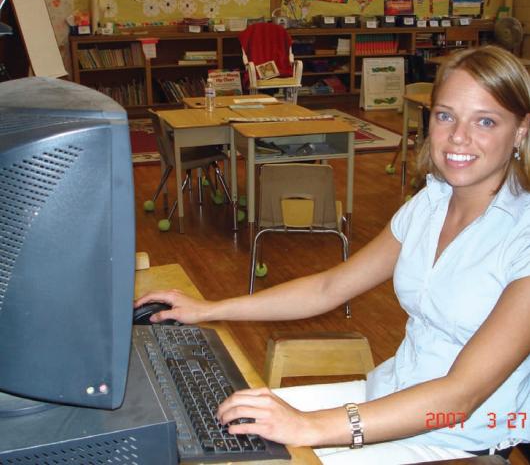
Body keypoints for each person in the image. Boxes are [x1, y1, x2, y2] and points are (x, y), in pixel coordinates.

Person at [135, 45, 530, 464]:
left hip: (458, 440)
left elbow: (461, 397)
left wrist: (311, 426)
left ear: (521, 131)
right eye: (445, 115)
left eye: (485, 121)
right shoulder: (430, 205)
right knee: (222, 426)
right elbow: (330, 286)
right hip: (387, 398)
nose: (458, 137)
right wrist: (210, 309)